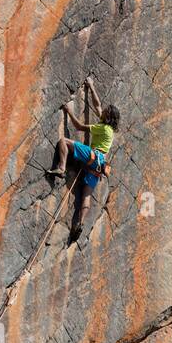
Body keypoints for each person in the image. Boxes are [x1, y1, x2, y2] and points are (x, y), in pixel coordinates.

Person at [48, 78, 119, 242]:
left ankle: (61, 167)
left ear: (108, 117)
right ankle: (79, 223)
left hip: (93, 157)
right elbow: (98, 105)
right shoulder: (109, 130)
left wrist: (68, 111)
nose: (103, 112)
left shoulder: (102, 127)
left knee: (63, 142)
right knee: (86, 196)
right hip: (98, 168)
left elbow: (79, 126)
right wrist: (91, 87)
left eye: (106, 112)